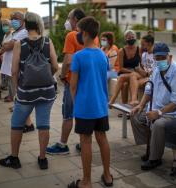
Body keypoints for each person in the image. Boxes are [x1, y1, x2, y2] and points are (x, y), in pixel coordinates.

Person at [0, 12, 58, 170]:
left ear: (25, 24)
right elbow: (56, 66)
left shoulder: (20, 43)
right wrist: (46, 77)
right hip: (47, 92)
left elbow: (14, 71)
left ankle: (14, 159)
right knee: (44, 125)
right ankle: (42, 159)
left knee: (17, 124)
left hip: (26, 92)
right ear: (39, 24)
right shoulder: (47, 41)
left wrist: (17, 90)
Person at [130, 43, 176, 170]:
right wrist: (140, 105)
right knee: (135, 115)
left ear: (170, 57)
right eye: (157, 58)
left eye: (162, 57)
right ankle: (151, 146)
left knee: (159, 124)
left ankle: (155, 158)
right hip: (155, 107)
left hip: (175, 112)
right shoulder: (157, 70)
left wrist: (158, 113)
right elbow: (149, 89)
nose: (159, 61)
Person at [46, 8, 99, 155]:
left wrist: (62, 76)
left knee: (68, 114)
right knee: (86, 114)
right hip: (88, 82)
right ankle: (84, 143)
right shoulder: (95, 37)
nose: (67, 21)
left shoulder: (71, 35)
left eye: (69, 17)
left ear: (75, 19)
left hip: (73, 82)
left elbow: (68, 61)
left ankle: (62, 144)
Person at [68, 16, 113, 188]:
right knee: (102, 138)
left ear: (85, 33)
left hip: (85, 107)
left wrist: (76, 104)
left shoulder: (79, 56)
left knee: (85, 141)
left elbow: (73, 86)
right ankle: (107, 176)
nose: (77, 34)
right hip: (101, 105)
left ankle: (86, 182)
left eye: (78, 32)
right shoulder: (103, 55)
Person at [2, 11, 35, 133]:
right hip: (14, 69)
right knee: (20, 98)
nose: (12, 20)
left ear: (23, 20)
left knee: (22, 98)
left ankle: (28, 124)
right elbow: (5, 45)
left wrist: (5, 45)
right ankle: (27, 123)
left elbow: (7, 46)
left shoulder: (24, 32)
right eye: (11, 18)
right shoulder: (15, 32)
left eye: (15, 18)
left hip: (20, 70)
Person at [109, 30, 141, 105]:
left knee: (124, 80)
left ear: (135, 38)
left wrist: (137, 71)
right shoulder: (121, 51)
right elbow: (121, 68)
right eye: (129, 38)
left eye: (132, 37)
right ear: (125, 39)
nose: (131, 39)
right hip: (125, 72)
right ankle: (124, 106)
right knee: (125, 84)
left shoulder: (139, 49)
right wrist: (131, 71)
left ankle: (113, 100)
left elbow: (142, 64)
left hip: (136, 73)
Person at [129, 34, 156, 106]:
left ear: (149, 43)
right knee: (132, 75)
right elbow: (144, 68)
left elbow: (152, 73)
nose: (141, 46)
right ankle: (134, 100)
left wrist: (141, 71)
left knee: (134, 84)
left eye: (143, 44)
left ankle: (134, 105)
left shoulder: (156, 55)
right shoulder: (144, 54)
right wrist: (140, 70)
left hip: (153, 77)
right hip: (145, 75)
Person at [0, 19, 14, 102]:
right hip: (5, 59)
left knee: (11, 78)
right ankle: (10, 94)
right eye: (3, 25)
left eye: (7, 25)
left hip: (11, 59)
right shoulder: (4, 36)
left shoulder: (13, 35)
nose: (5, 27)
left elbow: (6, 46)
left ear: (10, 26)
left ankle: (12, 96)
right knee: (7, 77)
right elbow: (3, 46)